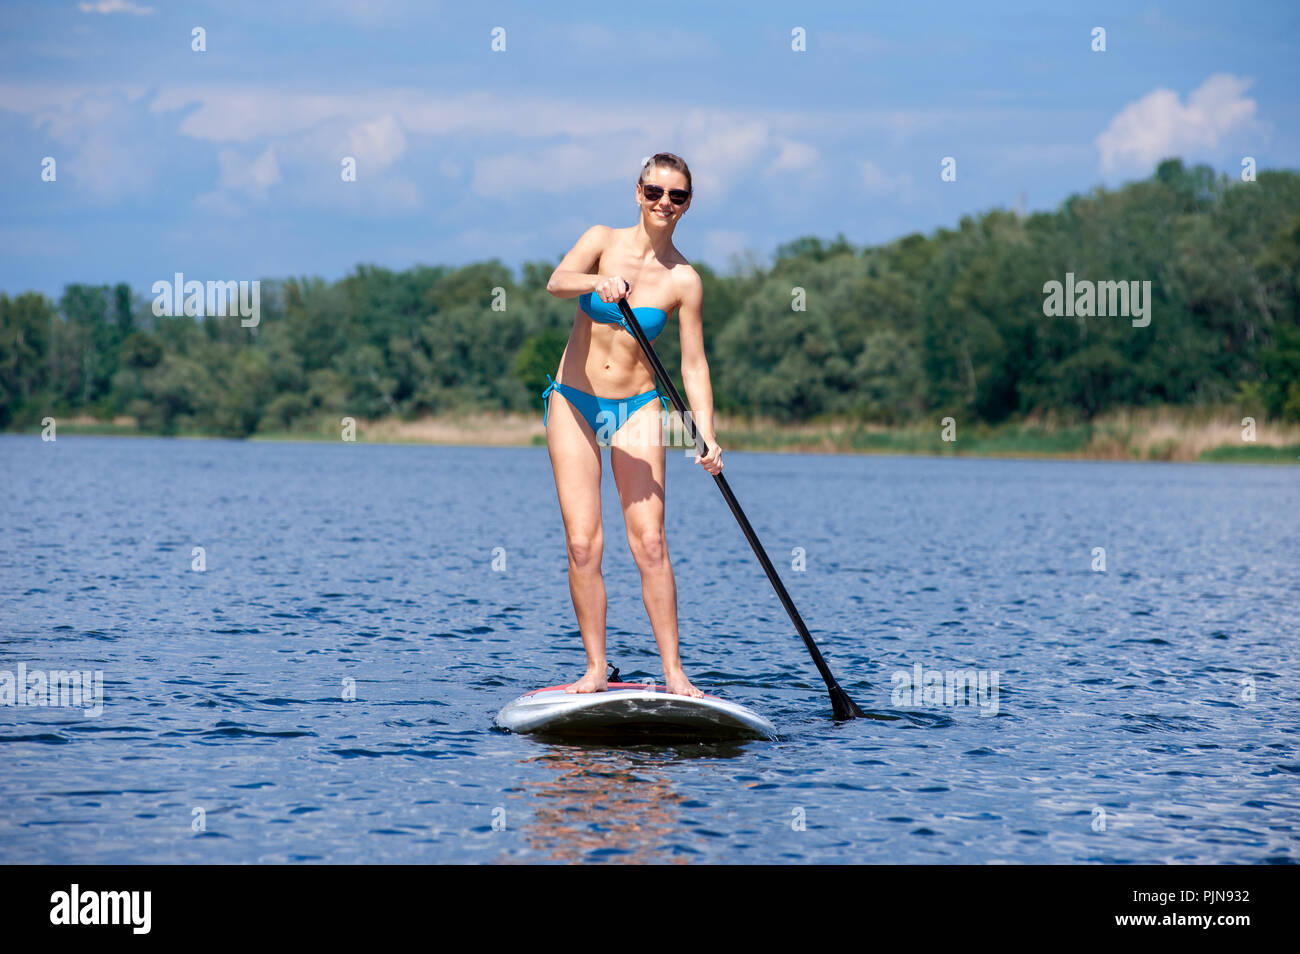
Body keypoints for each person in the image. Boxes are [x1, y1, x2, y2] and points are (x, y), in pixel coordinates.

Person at [542, 152, 723, 698]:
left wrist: (708, 435)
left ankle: (674, 673)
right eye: (655, 192)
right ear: (638, 192)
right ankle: (596, 670)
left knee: (650, 543)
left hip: (640, 408)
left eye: (677, 196)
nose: (664, 203)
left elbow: (693, 365)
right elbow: (556, 282)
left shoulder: (684, 280)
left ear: (688, 204)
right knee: (582, 544)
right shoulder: (601, 238)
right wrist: (597, 280)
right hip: (574, 401)